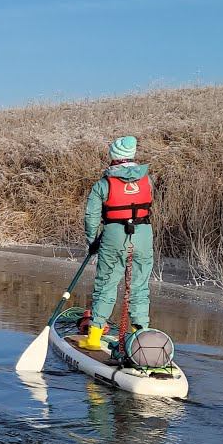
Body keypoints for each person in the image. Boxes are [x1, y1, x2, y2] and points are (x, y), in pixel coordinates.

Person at [80, 135, 154, 350]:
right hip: (143, 234)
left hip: (113, 236)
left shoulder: (103, 184)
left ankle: (93, 339)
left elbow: (91, 217)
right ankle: (139, 337)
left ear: (113, 157)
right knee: (139, 286)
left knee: (106, 285)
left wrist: (92, 240)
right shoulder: (147, 180)